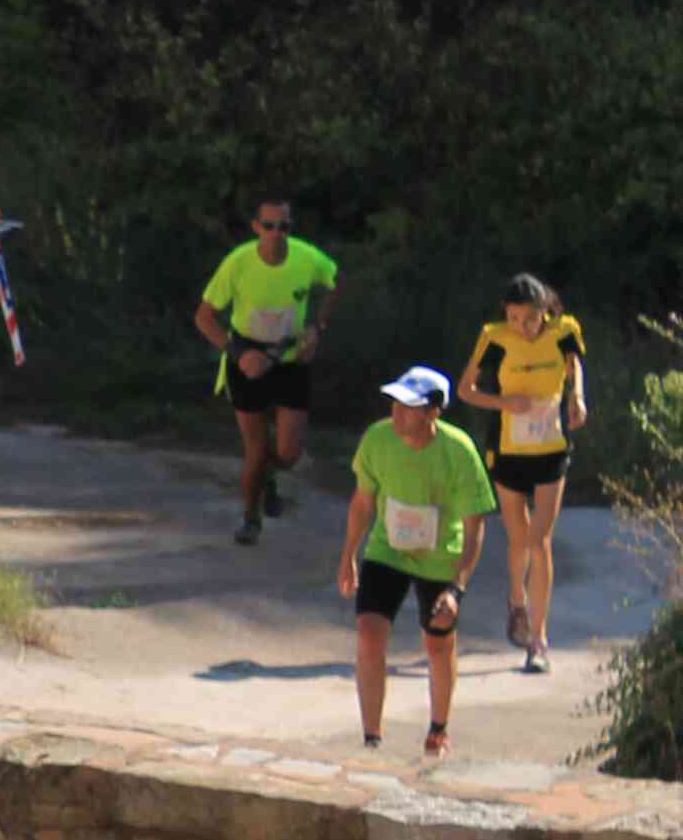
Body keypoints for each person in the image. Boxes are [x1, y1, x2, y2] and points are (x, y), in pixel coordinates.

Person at [337, 367, 495, 762]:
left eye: (409, 406)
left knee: (438, 641)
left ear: (433, 412)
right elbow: (362, 502)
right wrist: (348, 556)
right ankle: (371, 739)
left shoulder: (459, 451)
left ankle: (438, 729)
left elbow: (475, 524)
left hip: (440, 556)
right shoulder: (377, 439)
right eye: (395, 403)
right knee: (369, 633)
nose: (397, 412)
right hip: (387, 550)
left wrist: (457, 588)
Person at [456, 273, 588, 676]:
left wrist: (577, 396)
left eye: (529, 319)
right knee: (519, 539)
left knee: (539, 541)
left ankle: (538, 639)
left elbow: (574, 365)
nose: (521, 327)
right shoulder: (493, 337)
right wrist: (503, 402)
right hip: (508, 451)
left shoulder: (565, 331)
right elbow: (465, 390)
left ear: (545, 311)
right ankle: (517, 600)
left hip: (551, 448)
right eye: (513, 318)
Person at [194, 197, 339, 545]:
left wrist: (317, 328)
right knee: (256, 450)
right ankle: (250, 518)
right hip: (248, 359)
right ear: (256, 227)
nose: (276, 233)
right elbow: (204, 317)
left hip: (290, 359)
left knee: (289, 453)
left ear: (291, 228)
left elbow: (335, 283)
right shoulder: (238, 262)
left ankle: (267, 476)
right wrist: (238, 354)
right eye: (269, 226)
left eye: (283, 226)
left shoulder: (306, 257)